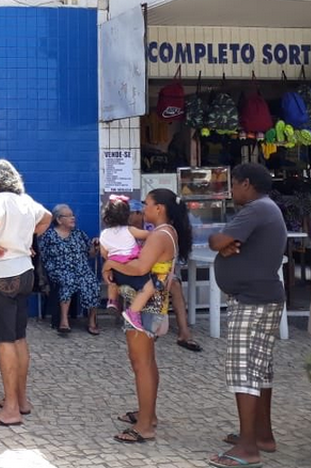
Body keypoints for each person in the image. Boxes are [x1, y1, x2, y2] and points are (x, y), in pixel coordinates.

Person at [207, 163, 287, 468]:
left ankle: (248, 447)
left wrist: (222, 241)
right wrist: (227, 243)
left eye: (234, 184)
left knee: (243, 371)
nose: (231, 190)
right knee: (260, 369)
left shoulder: (255, 209)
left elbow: (217, 241)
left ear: (247, 184)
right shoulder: (268, 209)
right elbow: (227, 243)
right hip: (264, 297)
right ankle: (261, 434)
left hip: (251, 301)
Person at [103, 187, 190, 444]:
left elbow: (140, 267)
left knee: (141, 364)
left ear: (159, 208)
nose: (143, 209)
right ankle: (147, 414)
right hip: (154, 303)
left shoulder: (159, 236)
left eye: (147, 204)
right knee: (147, 363)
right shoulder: (168, 232)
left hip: (145, 306)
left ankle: (144, 426)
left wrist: (110, 264)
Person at [0, 160, 51, 427]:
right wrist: (26, 239)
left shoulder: (0, 200)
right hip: (25, 273)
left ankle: (10, 410)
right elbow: (48, 217)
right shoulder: (26, 200)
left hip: (0, 274)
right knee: (19, 337)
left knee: (3, 341)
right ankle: (21, 400)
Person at [127, 199, 201, 352]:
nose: (131, 217)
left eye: (135, 213)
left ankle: (184, 332)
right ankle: (151, 325)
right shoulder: (125, 231)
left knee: (174, 284)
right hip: (139, 270)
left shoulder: (154, 229)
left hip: (158, 270)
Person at [39, 203, 101, 336]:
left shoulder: (79, 234)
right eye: (68, 216)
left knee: (92, 282)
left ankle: (92, 321)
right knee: (67, 281)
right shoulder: (49, 236)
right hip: (60, 269)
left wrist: (95, 246)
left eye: (73, 215)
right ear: (59, 219)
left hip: (81, 269)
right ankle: (64, 321)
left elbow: (90, 253)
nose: (73, 218)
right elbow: (42, 256)